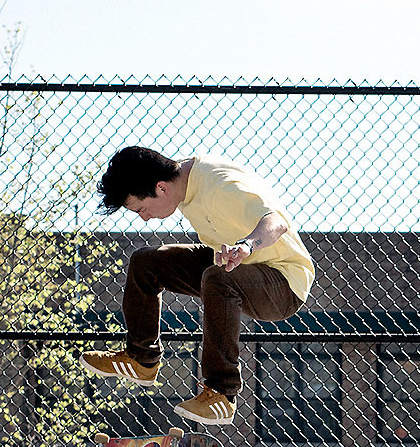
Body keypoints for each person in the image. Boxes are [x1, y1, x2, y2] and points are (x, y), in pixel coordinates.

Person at [82, 146, 315, 426]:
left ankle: (222, 392)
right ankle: (142, 360)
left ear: (161, 188)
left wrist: (246, 246)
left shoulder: (222, 186)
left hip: (283, 282)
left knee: (218, 277)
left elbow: (276, 223)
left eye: (141, 209)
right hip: (238, 269)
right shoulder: (181, 182)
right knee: (146, 262)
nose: (143, 218)